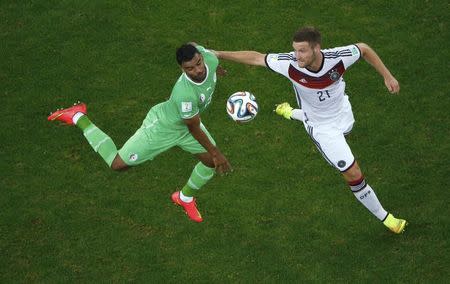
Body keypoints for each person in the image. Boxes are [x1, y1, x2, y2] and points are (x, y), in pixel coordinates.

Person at [214, 26, 407, 233]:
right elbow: (256, 58)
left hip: (342, 112)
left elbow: (364, 49)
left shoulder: (337, 58)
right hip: (322, 128)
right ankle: (387, 218)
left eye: (302, 51)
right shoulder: (289, 64)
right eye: (295, 50)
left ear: (317, 48)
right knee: (352, 172)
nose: (297, 56)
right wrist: (218, 54)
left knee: (347, 131)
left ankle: (290, 112)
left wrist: (387, 76)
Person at [48, 43, 232, 223]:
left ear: (201, 57)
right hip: (163, 127)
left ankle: (184, 198)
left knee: (210, 161)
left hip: (187, 125)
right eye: (190, 68)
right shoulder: (184, 92)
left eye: (198, 64)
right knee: (118, 164)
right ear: (181, 68)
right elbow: (194, 127)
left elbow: (194, 46)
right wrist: (217, 152)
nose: (198, 70)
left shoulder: (208, 59)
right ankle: (77, 116)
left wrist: (216, 70)